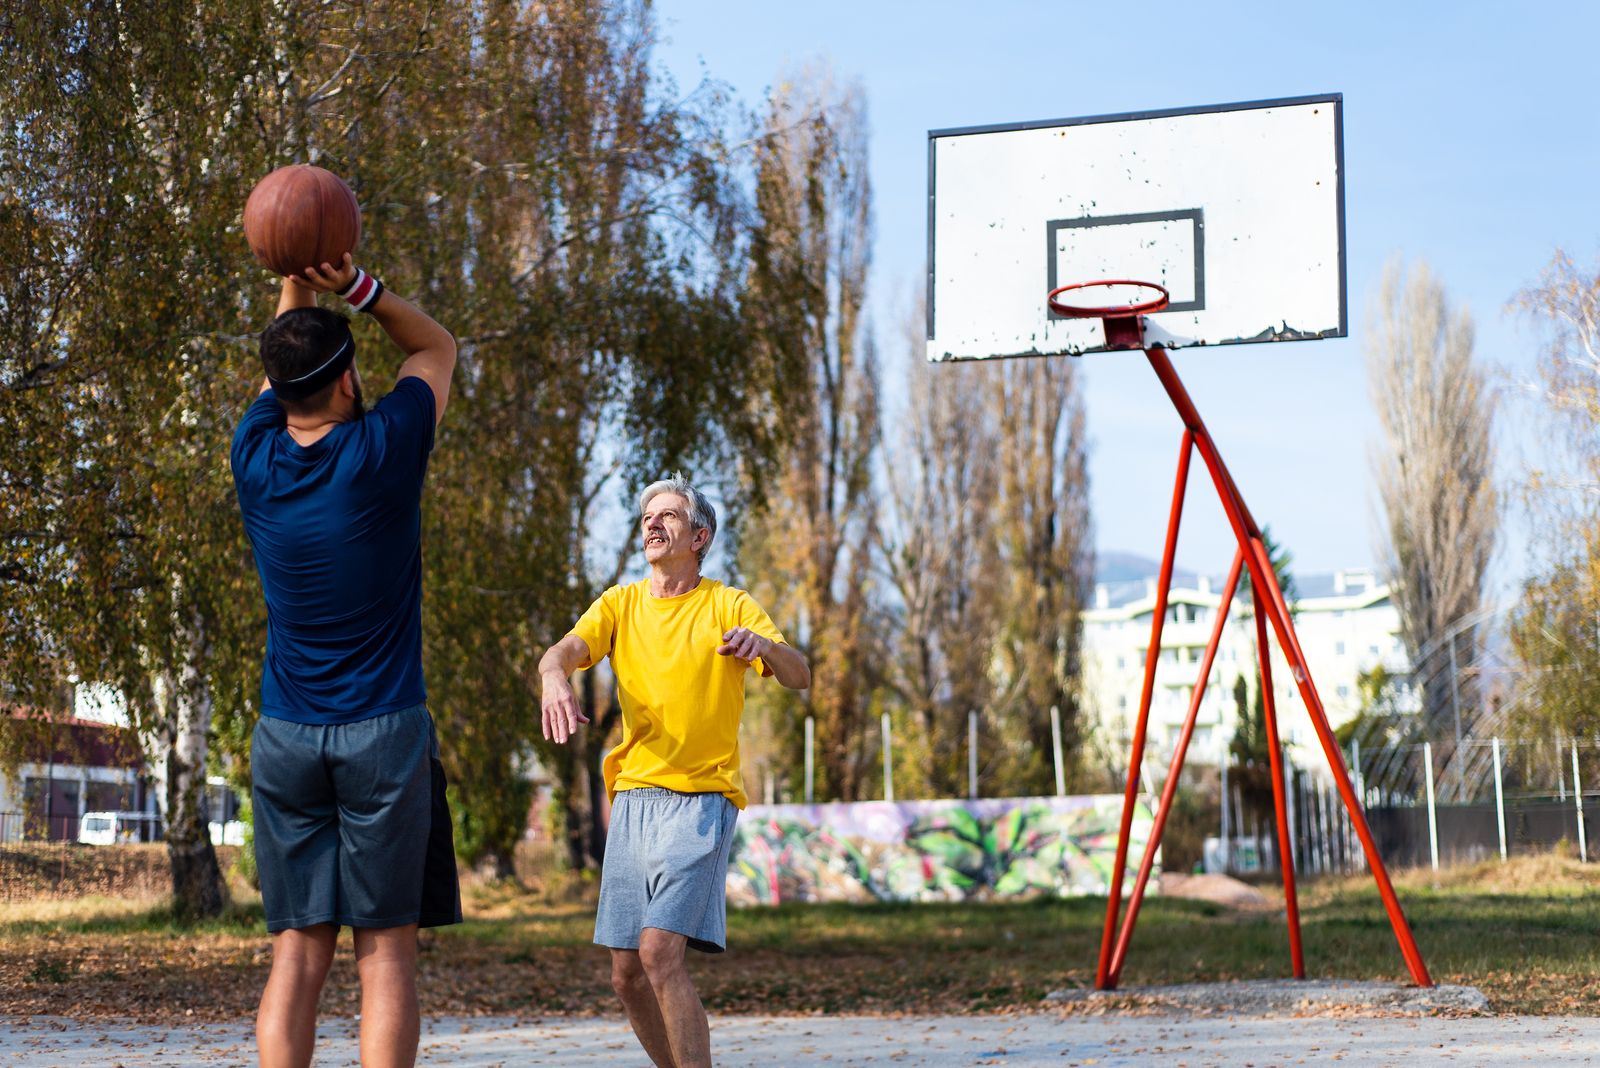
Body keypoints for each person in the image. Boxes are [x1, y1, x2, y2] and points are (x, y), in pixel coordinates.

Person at [231, 253, 461, 1068]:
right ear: (347, 381)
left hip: (287, 736)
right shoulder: (383, 451)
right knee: (385, 954)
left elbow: (284, 363)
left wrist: (292, 272)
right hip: (381, 736)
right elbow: (435, 348)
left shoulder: (253, 457)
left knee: (297, 953)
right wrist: (358, 286)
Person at [539, 475, 811, 1068]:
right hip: (634, 798)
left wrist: (764, 647)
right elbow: (564, 650)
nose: (652, 524)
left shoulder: (729, 605)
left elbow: (800, 675)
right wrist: (553, 674)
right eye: (647, 517)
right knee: (626, 973)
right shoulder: (620, 604)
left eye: (668, 516)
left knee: (659, 951)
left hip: (702, 798)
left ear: (699, 536)